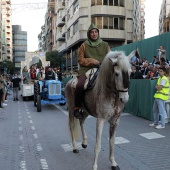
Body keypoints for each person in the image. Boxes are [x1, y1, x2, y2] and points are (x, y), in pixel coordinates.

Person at [74, 23, 110, 118]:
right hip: (86, 69)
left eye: (95, 32)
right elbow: (80, 60)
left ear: (98, 33)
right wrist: (91, 61)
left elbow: (109, 58)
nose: (94, 34)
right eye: (92, 32)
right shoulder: (84, 45)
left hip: (102, 69)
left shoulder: (105, 45)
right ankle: (77, 107)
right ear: (89, 34)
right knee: (80, 84)